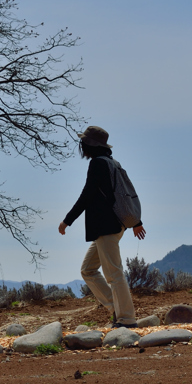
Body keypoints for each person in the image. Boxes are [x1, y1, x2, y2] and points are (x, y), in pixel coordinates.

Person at [59, 126, 146, 328]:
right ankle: (116, 308)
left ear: (89, 145)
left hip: (106, 226)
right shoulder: (113, 163)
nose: (81, 146)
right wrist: (135, 222)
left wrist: (67, 220)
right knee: (88, 270)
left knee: (114, 274)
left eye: (83, 143)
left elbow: (87, 195)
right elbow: (125, 193)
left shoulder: (98, 164)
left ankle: (126, 318)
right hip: (114, 225)